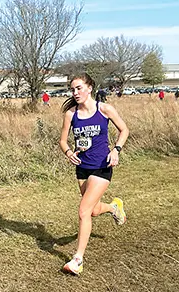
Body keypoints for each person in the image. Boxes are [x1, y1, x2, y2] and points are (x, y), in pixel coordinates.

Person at [59, 73, 129, 275]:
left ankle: (77, 260)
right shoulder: (71, 114)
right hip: (82, 167)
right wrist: (69, 152)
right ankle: (114, 207)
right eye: (72, 89)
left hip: (102, 165)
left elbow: (124, 130)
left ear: (90, 88)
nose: (75, 93)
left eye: (79, 88)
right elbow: (63, 141)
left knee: (83, 211)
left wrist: (116, 150)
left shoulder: (104, 109)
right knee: (94, 210)